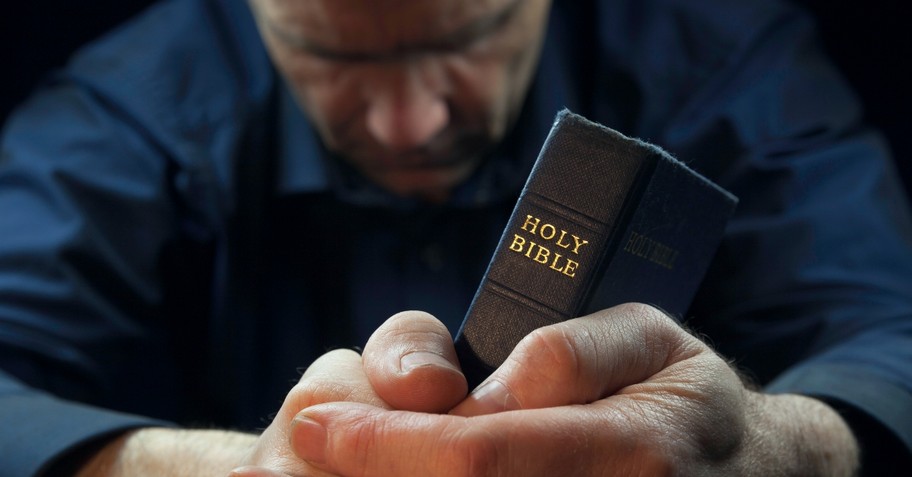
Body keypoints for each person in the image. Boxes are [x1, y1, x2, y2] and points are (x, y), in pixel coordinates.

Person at [1, 0, 910, 475]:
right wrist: (231, 469)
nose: (409, 121)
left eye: (472, 34)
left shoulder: (724, 64)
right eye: (335, 57)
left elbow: (893, 333)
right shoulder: (130, 105)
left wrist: (777, 450)